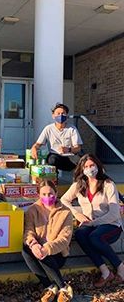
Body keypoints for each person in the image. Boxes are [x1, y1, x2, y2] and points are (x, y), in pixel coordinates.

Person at [61, 154, 124, 288]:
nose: (90, 169)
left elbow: (114, 213)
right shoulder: (79, 184)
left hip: (111, 224)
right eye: (86, 166)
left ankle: (120, 268)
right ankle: (105, 272)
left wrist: (93, 223)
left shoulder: (108, 184)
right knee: (80, 234)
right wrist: (77, 214)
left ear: (98, 166)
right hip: (90, 224)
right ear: (82, 169)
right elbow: (64, 200)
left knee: (94, 237)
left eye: (92, 165)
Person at [23, 180, 73, 302]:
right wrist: (33, 243)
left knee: (42, 253)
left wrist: (47, 248)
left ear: (56, 194)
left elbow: (64, 239)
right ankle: (50, 286)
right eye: (43, 194)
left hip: (57, 254)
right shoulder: (32, 210)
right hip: (38, 250)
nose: (47, 197)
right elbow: (28, 231)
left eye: (50, 194)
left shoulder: (66, 212)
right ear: (39, 195)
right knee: (25, 248)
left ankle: (62, 287)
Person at [31, 103, 83, 172]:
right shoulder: (48, 128)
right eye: (58, 113)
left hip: (69, 156)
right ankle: (54, 178)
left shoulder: (72, 129)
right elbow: (38, 144)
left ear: (66, 115)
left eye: (63, 113)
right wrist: (34, 148)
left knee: (82, 162)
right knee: (52, 160)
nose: (60, 115)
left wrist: (68, 149)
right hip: (55, 155)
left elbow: (78, 148)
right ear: (53, 116)